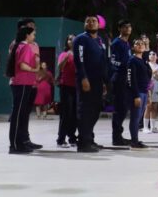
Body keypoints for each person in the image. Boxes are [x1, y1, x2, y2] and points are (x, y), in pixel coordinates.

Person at [73, 16, 109, 153]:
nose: (90, 23)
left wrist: (105, 81)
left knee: (95, 110)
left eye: (93, 21)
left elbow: (104, 61)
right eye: (87, 21)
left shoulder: (100, 40)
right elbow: (79, 59)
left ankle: (89, 138)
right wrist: (83, 78)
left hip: (98, 81)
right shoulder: (81, 39)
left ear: (98, 24)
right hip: (86, 80)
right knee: (85, 111)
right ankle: (83, 142)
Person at [6, 26, 40, 154]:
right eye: (33, 34)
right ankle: (14, 145)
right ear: (27, 35)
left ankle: (19, 143)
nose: (34, 36)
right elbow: (22, 65)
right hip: (22, 83)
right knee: (18, 115)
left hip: (22, 83)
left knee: (19, 115)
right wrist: (35, 69)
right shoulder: (25, 46)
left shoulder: (19, 45)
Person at [109, 20, 132, 146]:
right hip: (118, 78)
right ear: (120, 29)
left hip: (125, 78)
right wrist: (125, 65)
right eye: (125, 27)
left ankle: (119, 135)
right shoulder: (116, 43)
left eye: (129, 26)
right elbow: (113, 61)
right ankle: (116, 138)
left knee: (124, 108)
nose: (128, 28)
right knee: (119, 108)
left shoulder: (127, 43)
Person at [126, 39, 151, 149]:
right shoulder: (132, 60)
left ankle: (136, 139)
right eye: (137, 44)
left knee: (139, 117)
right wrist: (136, 95)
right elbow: (131, 79)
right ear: (133, 47)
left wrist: (148, 92)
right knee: (135, 118)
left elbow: (148, 77)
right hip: (137, 93)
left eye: (142, 44)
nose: (140, 45)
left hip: (144, 92)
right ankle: (134, 141)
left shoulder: (144, 61)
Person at [56, 34, 78, 148]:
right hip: (66, 86)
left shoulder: (79, 55)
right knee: (66, 113)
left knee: (74, 114)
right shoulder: (64, 54)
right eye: (69, 39)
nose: (71, 40)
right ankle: (60, 139)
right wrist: (66, 57)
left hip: (77, 87)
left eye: (74, 38)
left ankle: (72, 138)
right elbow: (60, 67)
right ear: (67, 42)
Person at [143, 50, 158, 134]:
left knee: (154, 108)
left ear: (156, 57)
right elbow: (147, 75)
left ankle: (153, 127)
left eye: (154, 54)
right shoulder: (147, 65)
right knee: (148, 107)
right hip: (149, 88)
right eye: (150, 54)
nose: (152, 55)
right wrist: (154, 71)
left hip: (156, 88)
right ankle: (145, 127)